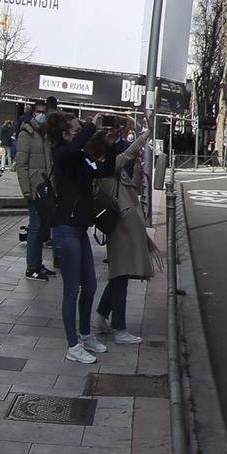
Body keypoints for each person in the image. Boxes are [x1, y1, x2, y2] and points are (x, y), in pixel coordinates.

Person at [49, 118, 112, 365]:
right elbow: (75, 149)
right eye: (76, 130)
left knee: (90, 285)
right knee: (71, 289)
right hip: (65, 228)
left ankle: (85, 334)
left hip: (80, 229)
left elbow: (102, 170)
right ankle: (72, 344)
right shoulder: (63, 154)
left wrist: (111, 143)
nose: (82, 134)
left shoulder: (80, 157)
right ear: (65, 135)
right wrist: (89, 125)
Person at [94, 125, 155, 345]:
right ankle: (119, 328)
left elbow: (132, 191)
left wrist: (137, 172)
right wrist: (146, 135)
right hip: (122, 224)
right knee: (121, 275)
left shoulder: (110, 167)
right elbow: (129, 152)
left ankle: (102, 316)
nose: (115, 142)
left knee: (121, 274)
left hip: (124, 222)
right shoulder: (105, 166)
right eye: (110, 139)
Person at [13, 101, 59, 280]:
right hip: (34, 189)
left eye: (43, 112)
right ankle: (31, 267)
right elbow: (22, 165)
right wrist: (26, 190)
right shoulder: (27, 134)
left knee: (41, 229)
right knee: (35, 227)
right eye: (38, 112)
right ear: (33, 113)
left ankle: (38, 264)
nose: (41, 115)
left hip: (45, 188)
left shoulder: (44, 134)